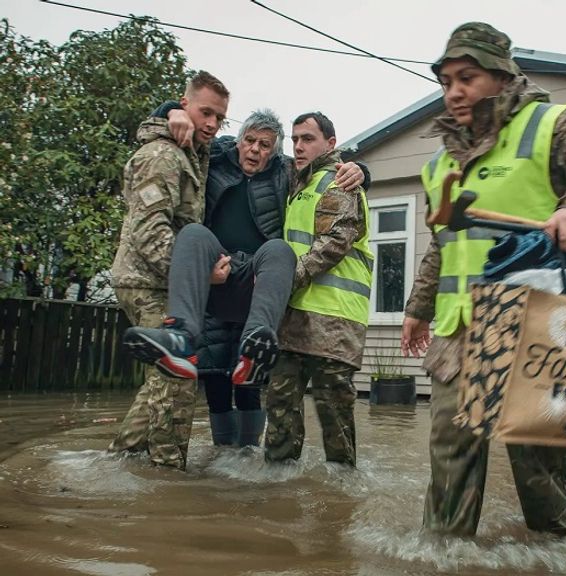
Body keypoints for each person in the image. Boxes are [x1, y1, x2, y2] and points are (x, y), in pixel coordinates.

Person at [400, 22, 566, 536]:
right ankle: (445, 554)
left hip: (535, 327)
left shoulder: (553, 126)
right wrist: (417, 307)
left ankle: (553, 547)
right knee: (451, 453)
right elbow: (443, 240)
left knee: (537, 460)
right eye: (446, 79)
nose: (454, 91)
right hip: (460, 329)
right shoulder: (439, 162)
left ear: (501, 76)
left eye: (467, 77)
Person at [123, 107, 367, 448]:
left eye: (265, 145)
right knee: (214, 374)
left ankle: (248, 447)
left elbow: (324, 168)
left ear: (275, 151)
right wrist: (170, 111)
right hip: (216, 279)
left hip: (259, 286)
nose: (255, 150)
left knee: (250, 374)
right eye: (249, 141)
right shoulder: (217, 157)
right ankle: (179, 336)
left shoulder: (287, 173)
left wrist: (360, 169)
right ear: (237, 141)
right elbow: (182, 133)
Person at [109, 71, 230, 469]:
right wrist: (194, 277)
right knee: (178, 374)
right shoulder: (163, 155)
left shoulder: (192, 150)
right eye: (205, 112)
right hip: (146, 281)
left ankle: (120, 459)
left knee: (163, 377)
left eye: (220, 117)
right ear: (185, 105)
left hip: (161, 282)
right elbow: (149, 231)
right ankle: (168, 474)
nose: (212, 124)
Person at [265, 112, 372, 467]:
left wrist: (285, 280)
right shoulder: (297, 185)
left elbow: (334, 242)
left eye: (307, 139)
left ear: (330, 143)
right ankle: (277, 489)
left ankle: (341, 499)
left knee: (334, 416)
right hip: (294, 314)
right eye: (295, 139)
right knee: (280, 407)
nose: (298, 146)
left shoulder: (338, 181)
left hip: (335, 319)